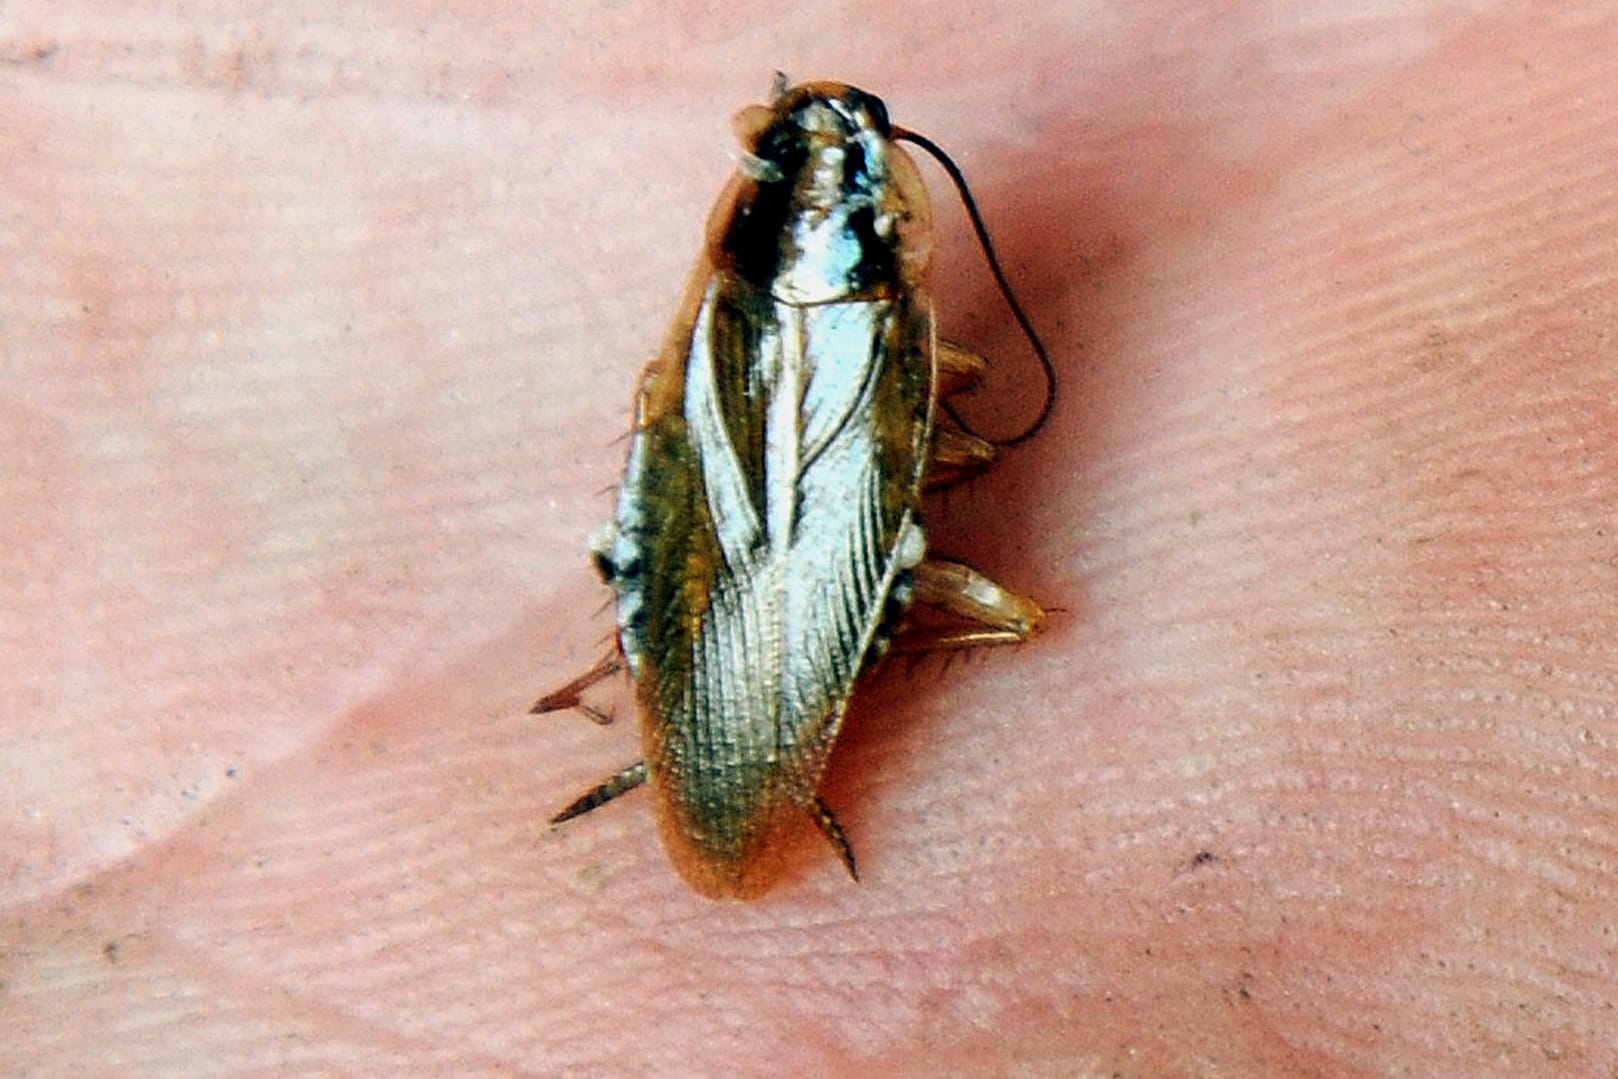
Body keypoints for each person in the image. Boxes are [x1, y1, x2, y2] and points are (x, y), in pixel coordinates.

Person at [6, 7, 1616, 1074]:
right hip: (786, 485)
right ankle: (726, 741)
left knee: (859, 549)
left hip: (792, 502)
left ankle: (723, 741)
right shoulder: (834, 294)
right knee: (815, 530)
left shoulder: (794, 293)